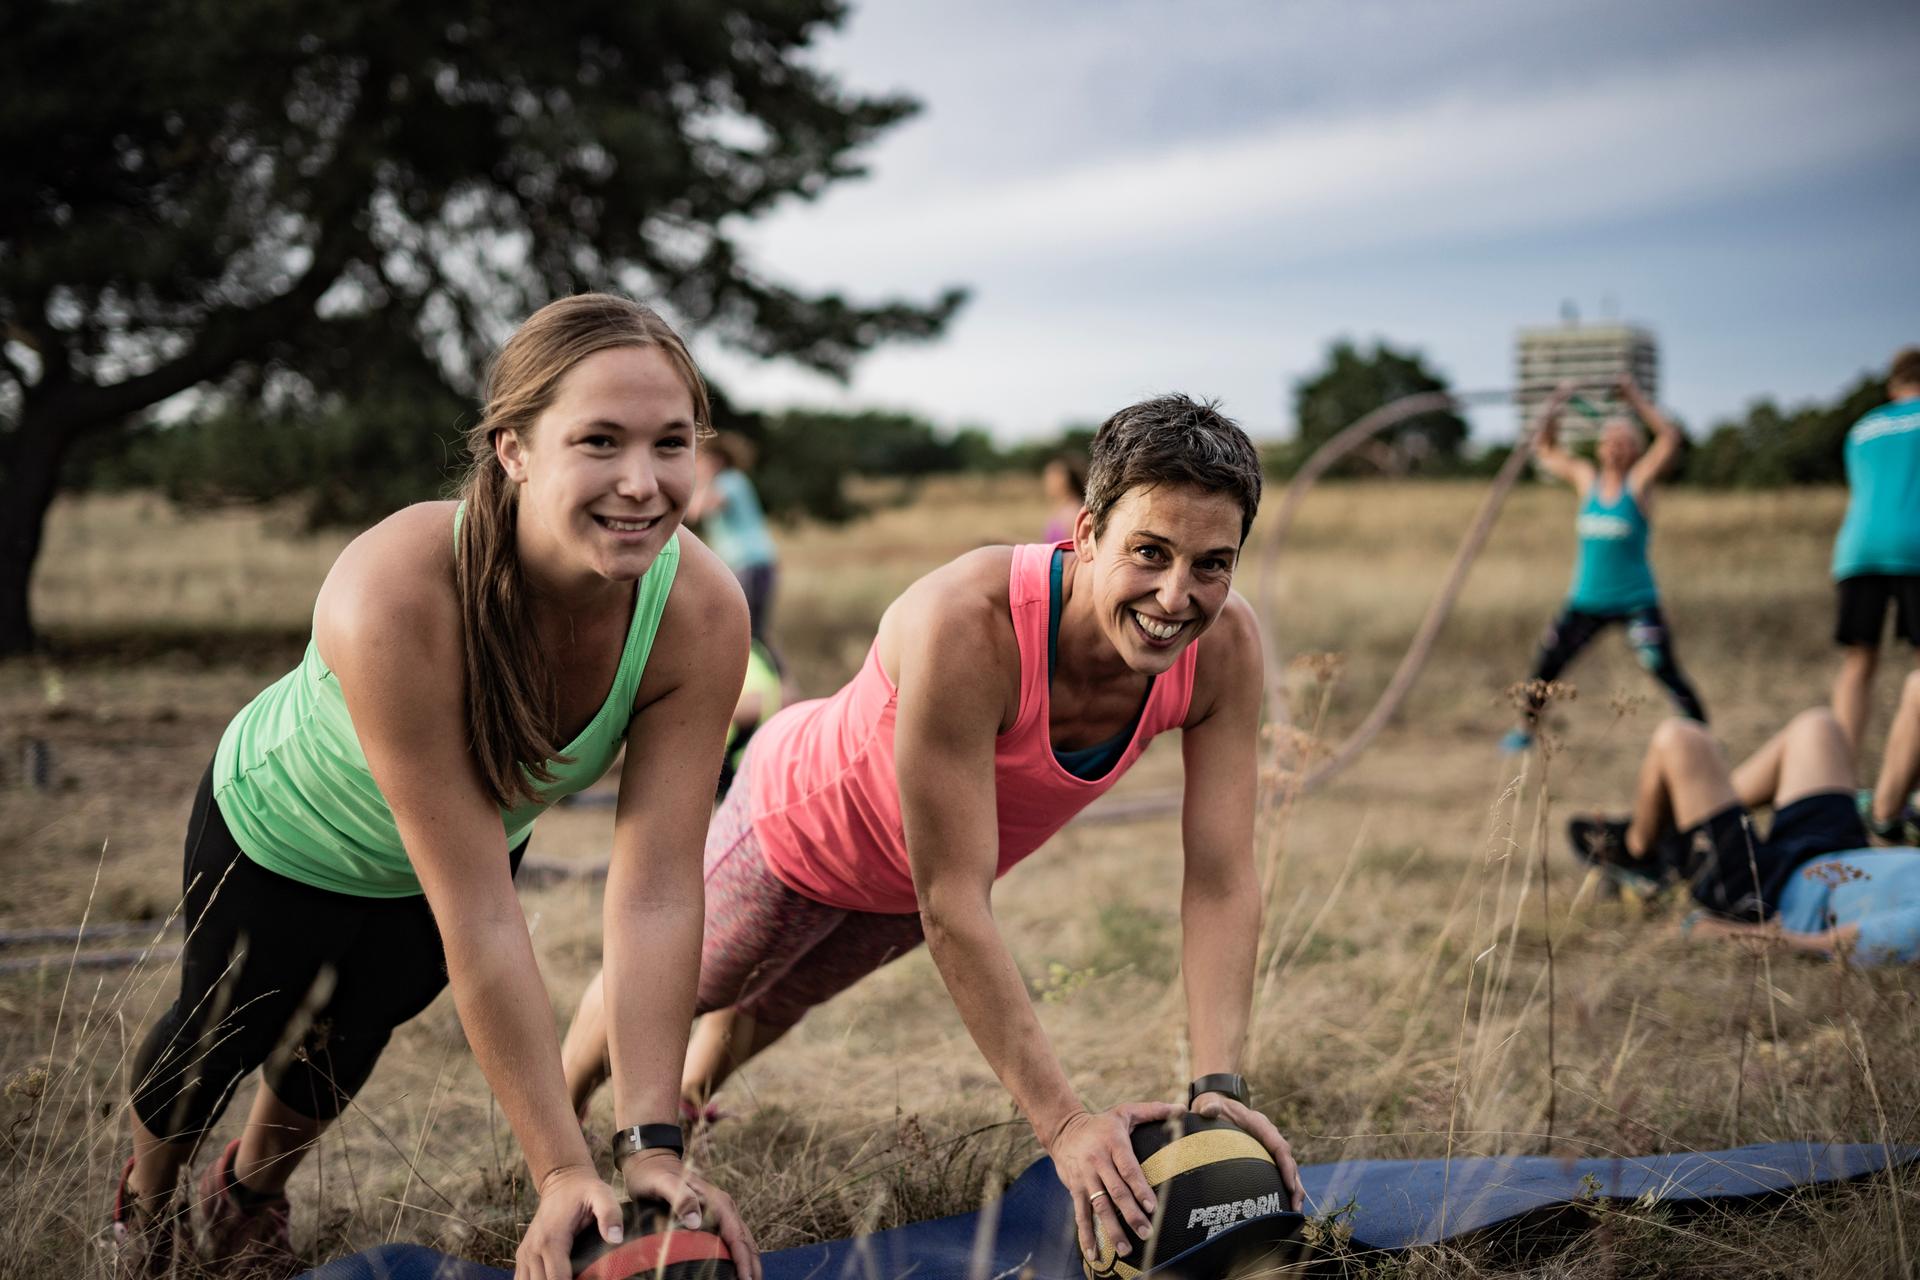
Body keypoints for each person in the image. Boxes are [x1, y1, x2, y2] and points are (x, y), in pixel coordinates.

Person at [561, 394, 1304, 1270]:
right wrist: (1064, 1123)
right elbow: (953, 900)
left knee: (773, 1006)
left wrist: (1217, 1087)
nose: (1177, 596)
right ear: (1089, 531)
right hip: (800, 824)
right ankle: (557, 1144)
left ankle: (680, 1121)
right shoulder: (969, 620)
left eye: (1212, 565)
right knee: (676, 990)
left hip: (907, 883)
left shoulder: (1225, 648)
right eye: (1150, 552)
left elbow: (1219, 877)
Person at [111, 296, 760, 1280]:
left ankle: (248, 1193)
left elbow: (660, 887)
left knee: (349, 1034)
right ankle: (148, 1204)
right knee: (225, 1025)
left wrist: (650, 1143)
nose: (642, 481)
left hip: (454, 855)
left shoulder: (700, 612)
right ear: (514, 450)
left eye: (671, 442)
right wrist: (557, 1166)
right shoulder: (395, 590)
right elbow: (486, 920)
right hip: (286, 829)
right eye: (599, 440)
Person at [1568, 688, 1920, 967]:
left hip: (1769, 892)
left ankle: (1638, 852)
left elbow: (1842, 945)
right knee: (1817, 727)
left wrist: (1730, 934)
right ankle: (1682, 820)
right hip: (1836, 853)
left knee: (1679, 738)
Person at [1502, 375, 1705, 752]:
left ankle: (1699, 731)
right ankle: (1524, 729)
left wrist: (1634, 396)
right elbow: (1545, 448)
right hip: (1586, 599)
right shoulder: (1586, 481)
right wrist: (1557, 403)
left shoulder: (1639, 485)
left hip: (1635, 600)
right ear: (1599, 448)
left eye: (1624, 443)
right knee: (1549, 662)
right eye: (1610, 442)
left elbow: (1670, 439)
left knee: (1661, 664)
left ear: (1634, 450)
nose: (1615, 448)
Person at [1828, 347, 1920, 754]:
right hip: (1914, 544)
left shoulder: (1862, 428)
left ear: (1892, 383)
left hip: (1858, 547)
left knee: (1858, 661)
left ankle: (1837, 777)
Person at [689, 431, 779, 645]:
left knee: (749, 631)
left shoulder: (730, 481)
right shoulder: (730, 481)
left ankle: (778, 678)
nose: (696, 468)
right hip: (748, 564)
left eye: (699, 461)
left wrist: (704, 481)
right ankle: (778, 676)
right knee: (754, 631)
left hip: (750, 563)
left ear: (716, 462)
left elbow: (698, 510)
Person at [1041, 450, 1088, 543]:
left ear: (1065, 480)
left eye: (1051, 476)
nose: (1046, 481)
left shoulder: (1073, 512)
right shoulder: (1063, 509)